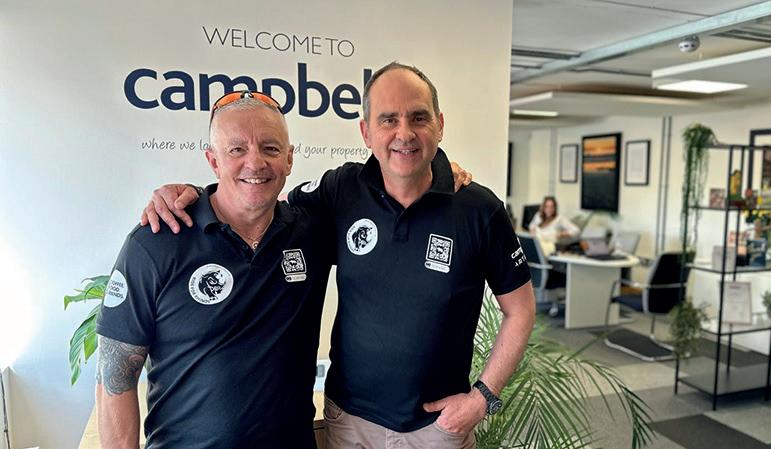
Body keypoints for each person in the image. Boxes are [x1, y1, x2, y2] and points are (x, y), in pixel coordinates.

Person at [143, 62, 536, 449]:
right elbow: (258, 198)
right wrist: (194, 196)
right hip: (349, 425)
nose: (404, 133)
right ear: (366, 132)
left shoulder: (479, 210)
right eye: (388, 120)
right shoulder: (341, 189)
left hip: (436, 428)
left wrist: (483, 397)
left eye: (419, 118)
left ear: (440, 125)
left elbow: (520, 310)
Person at [95, 91, 335, 449]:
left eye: (270, 148)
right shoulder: (157, 241)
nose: (255, 162)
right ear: (213, 161)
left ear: (289, 159)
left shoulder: (312, 232)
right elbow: (115, 376)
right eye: (237, 149)